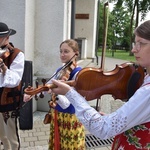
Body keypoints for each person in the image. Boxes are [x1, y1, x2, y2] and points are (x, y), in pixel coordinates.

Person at [50, 20, 150, 150]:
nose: (133, 49)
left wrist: (70, 93)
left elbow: (104, 129)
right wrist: (112, 117)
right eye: (134, 43)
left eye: (140, 44)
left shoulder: (147, 91)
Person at [0, 22, 24, 150]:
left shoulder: (17, 55)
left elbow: (15, 79)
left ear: (7, 38)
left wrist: (3, 67)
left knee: (12, 138)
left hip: (9, 100)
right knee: (2, 137)